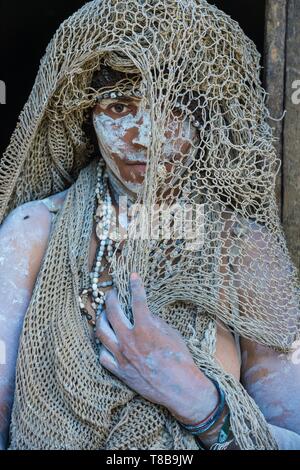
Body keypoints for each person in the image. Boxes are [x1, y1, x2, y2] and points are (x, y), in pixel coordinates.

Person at [0, 0, 299, 450]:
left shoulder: (244, 249)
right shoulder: (34, 232)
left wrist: (199, 401)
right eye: (119, 107)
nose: (146, 136)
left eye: (170, 107)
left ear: (205, 119)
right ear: (87, 117)